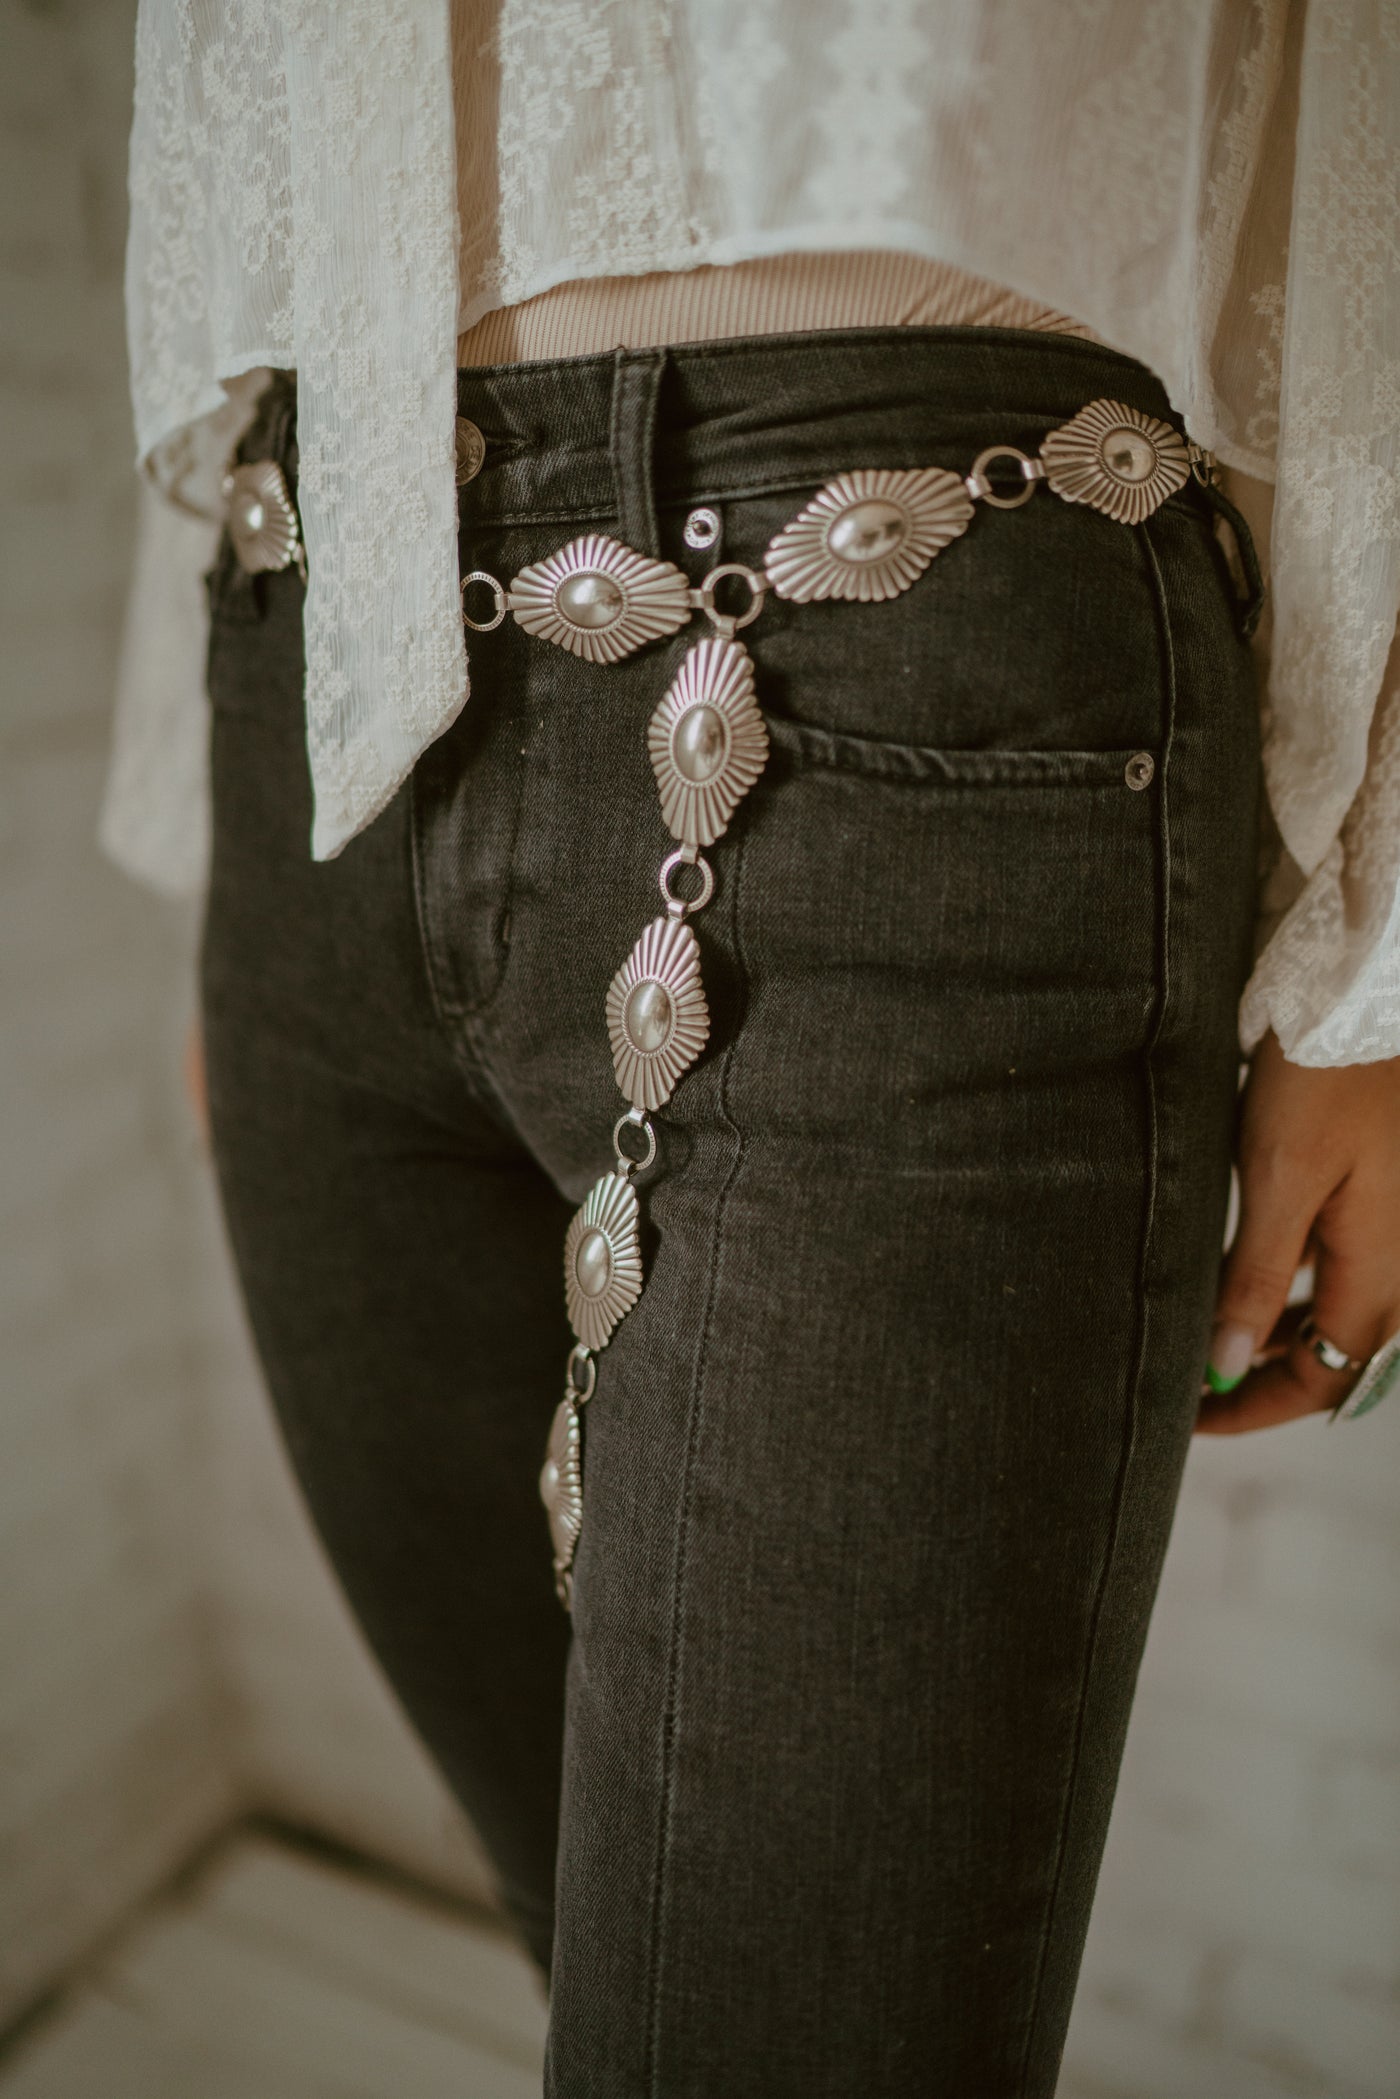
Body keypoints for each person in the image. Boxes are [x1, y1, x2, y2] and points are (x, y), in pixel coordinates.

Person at [111, 4, 1400, 2092]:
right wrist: (216, 841)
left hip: (908, 622)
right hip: (309, 672)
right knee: (599, 1944)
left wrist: (1381, 956)